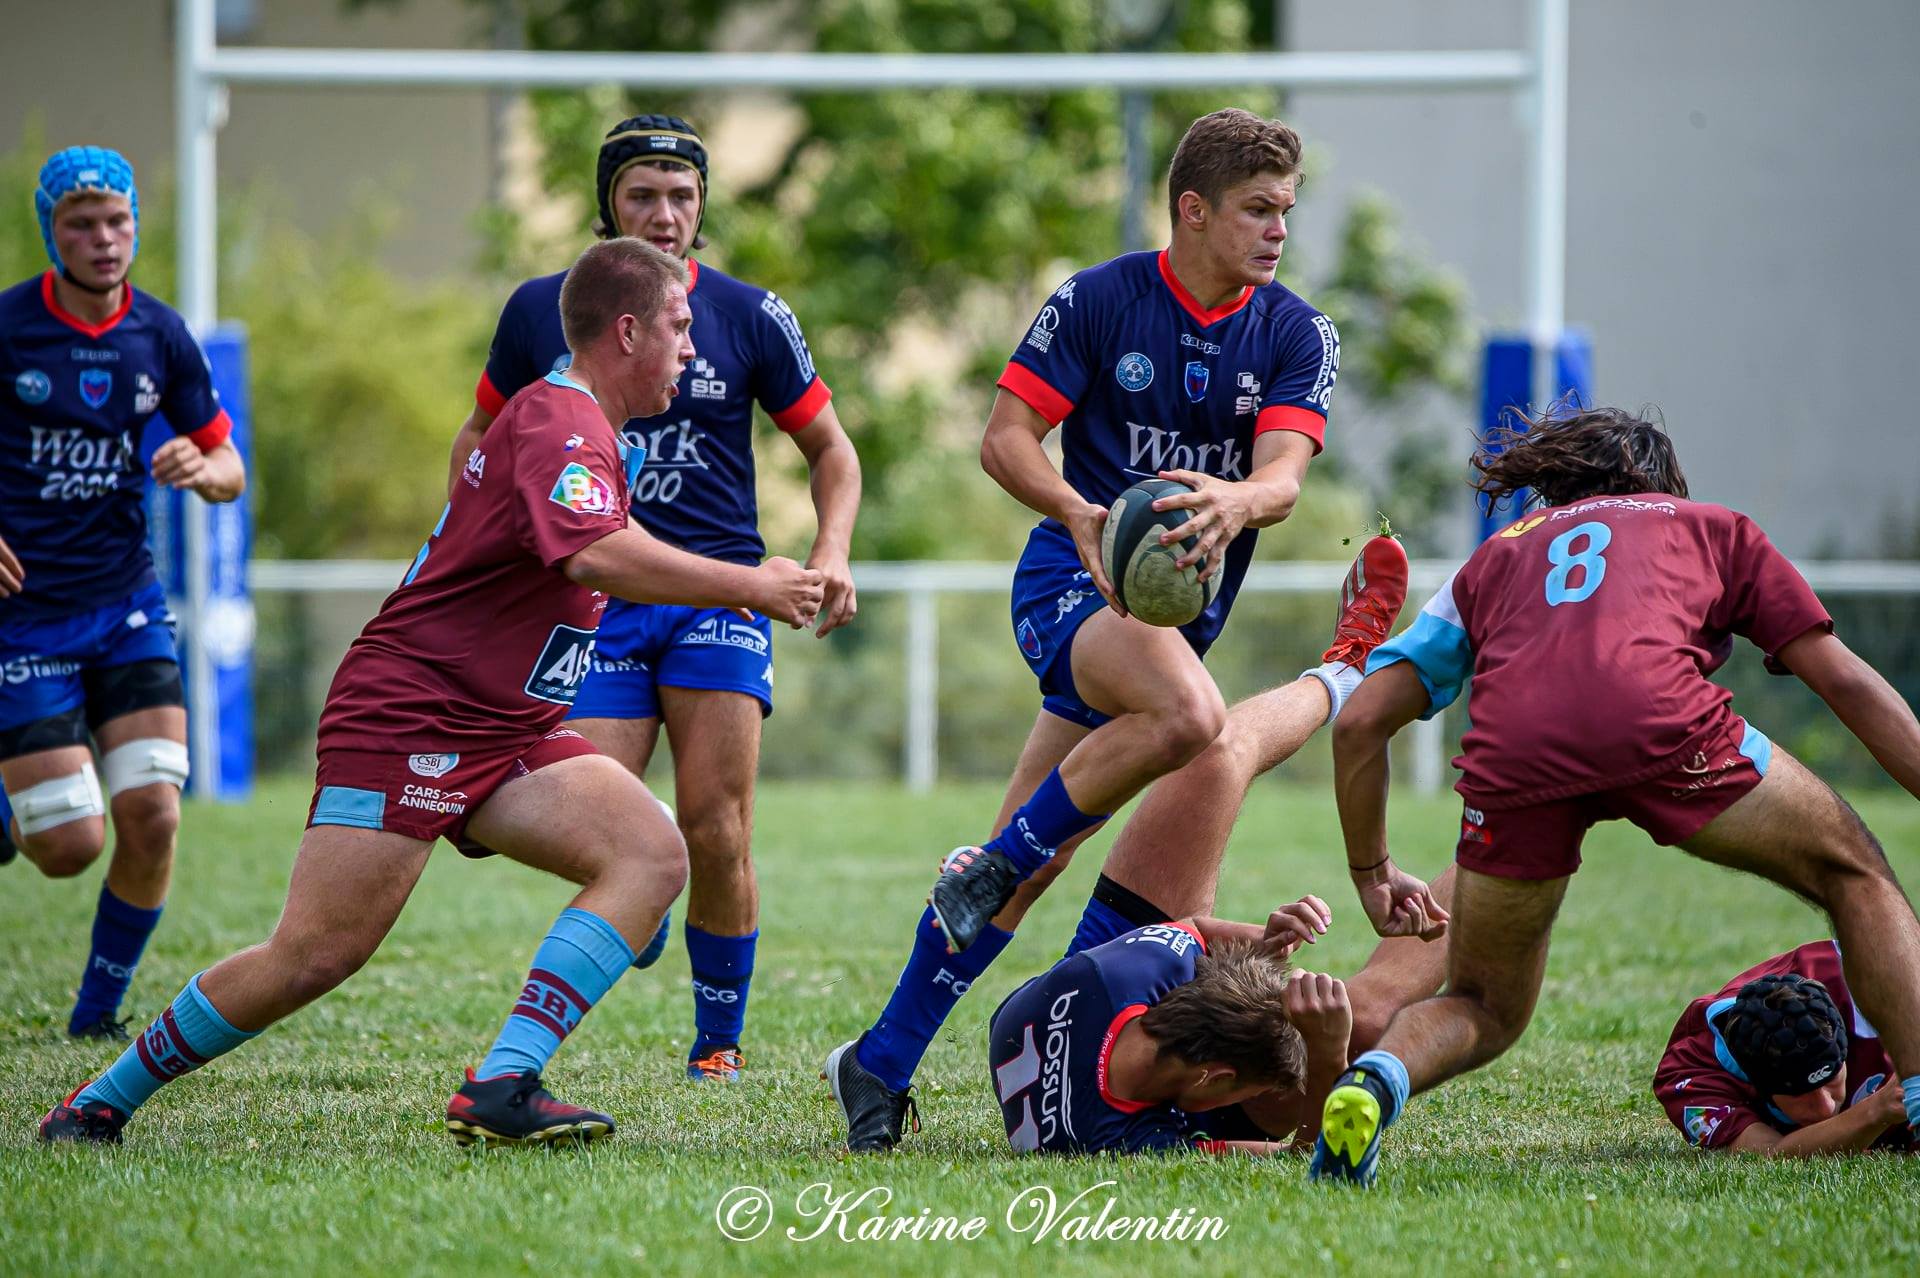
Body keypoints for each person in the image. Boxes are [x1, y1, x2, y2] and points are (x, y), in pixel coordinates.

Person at [41, 239, 824, 1146]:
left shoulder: (585, 426)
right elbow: (592, 553)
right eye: (679, 327)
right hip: (413, 713)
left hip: (504, 724)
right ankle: (97, 1102)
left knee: (651, 855)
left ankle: (503, 1084)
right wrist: (750, 584)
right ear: (626, 331)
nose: (691, 347)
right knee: (314, 955)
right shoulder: (562, 422)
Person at [1312, 404, 1920, 1187]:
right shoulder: (1712, 527)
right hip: (1664, 726)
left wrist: (1372, 872)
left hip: (1515, 758)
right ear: (1663, 484)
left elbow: (1361, 721)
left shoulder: (1495, 557)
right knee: (1854, 873)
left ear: (1557, 487)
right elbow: (1843, 679)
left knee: (1483, 1004)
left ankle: (1374, 1081)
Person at [448, 114, 858, 1083]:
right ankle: (647, 884)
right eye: (643, 194)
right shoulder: (541, 311)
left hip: (721, 596)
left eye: (682, 194)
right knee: (597, 821)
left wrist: (831, 549)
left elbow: (830, 450)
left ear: (702, 206)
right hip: (597, 600)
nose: (665, 212)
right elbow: (478, 439)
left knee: (717, 824)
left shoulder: (750, 314)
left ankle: (717, 1045)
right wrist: (476, 558)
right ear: (608, 206)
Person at [828, 527, 1413, 1151]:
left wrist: (1311, 1036)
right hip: (1073, 1009)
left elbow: (1299, 1149)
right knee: (1363, 1015)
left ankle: (1344, 672)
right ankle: (1353, 684)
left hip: (1096, 998)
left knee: (1356, 1014)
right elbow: (1301, 1148)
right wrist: (1301, 1012)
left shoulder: (1129, 1029)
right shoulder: (1131, 1093)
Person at [0, 146, 246, 1040]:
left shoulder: (160, 333)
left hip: (127, 607)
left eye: (118, 221)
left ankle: (97, 1014)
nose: (104, 239)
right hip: (25, 617)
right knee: (69, 846)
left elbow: (229, 463)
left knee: (152, 812)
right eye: (82, 225)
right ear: (52, 233)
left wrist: (203, 468)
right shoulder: (10, 328)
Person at [1653, 940, 1914, 1156]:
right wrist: (1876, 1110)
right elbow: (1770, 1153)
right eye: (1800, 1095)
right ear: (1758, 1085)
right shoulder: (1693, 1072)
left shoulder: (1873, 980)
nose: (1825, 1107)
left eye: (1832, 1078)